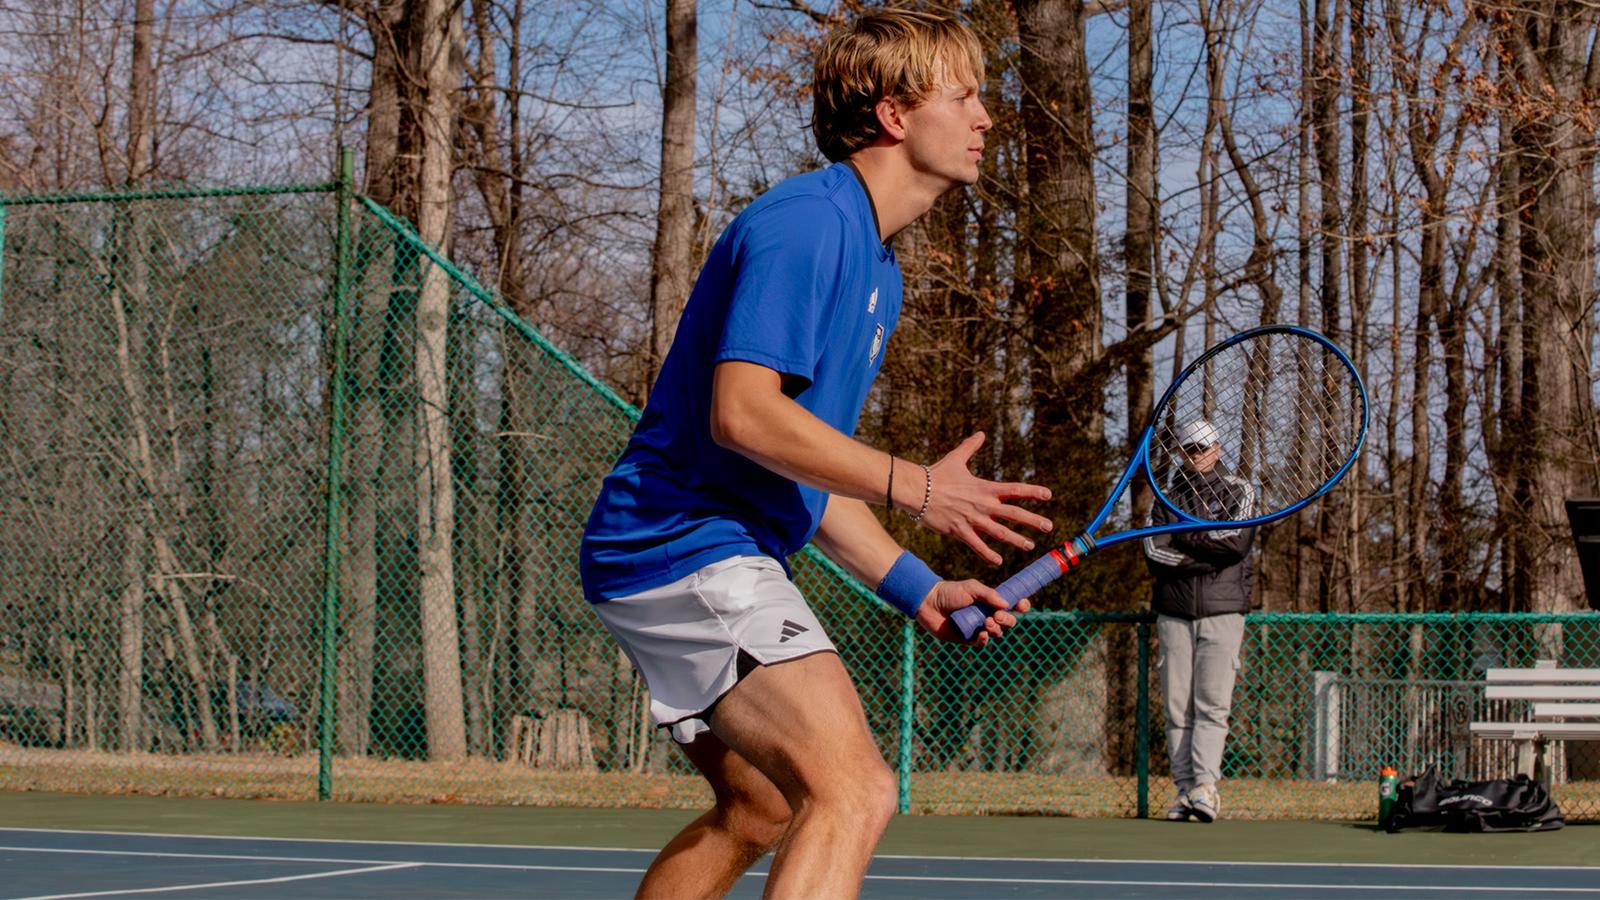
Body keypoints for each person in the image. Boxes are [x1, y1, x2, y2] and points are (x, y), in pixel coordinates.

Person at [579, 9, 1054, 897]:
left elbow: (800, 464)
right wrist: (918, 489)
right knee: (854, 790)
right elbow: (745, 418)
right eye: (966, 95)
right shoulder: (807, 227)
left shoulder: (877, 265)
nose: (987, 117)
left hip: (693, 547)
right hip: (682, 544)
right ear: (895, 114)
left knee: (759, 808)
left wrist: (921, 586)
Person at [1142, 418, 1256, 824]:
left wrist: (1185, 536)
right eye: (1189, 448)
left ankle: (1206, 789)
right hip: (1173, 613)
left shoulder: (1240, 490)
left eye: (1203, 447)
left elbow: (1236, 543)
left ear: (1218, 449)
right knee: (1177, 709)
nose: (1196, 454)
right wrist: (1206, 547)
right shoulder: (1166, 496)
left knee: (1212, 704)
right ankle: (1185, 791)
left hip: (1223, 613)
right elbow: (1155, 552)